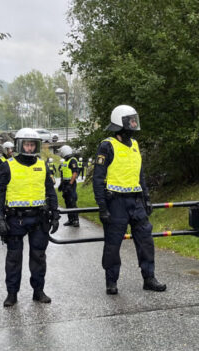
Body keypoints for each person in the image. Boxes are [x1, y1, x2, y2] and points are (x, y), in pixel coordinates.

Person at [93, 105, 166, 295]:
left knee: (146, 240)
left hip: (136, 201)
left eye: (135, 120)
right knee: (113, 243)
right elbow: (98, 179)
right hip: (115, 202)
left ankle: (149, 278)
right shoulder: (107, 145)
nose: (134, 124)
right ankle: (111, 281)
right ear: (120, 123)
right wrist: (102, 207)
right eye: (131, 121)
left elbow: (140, 175)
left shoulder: (134, 144)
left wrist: (146, 198)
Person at [0, 128, 60, 307]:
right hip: (15, 219)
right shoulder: (8, 165)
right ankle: (12, 294)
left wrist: (55, 213)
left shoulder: (42, 164)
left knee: (39, 257)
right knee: (14, 258)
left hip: (39, 218)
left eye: (32, 145)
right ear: (19, 145)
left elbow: (49, 190)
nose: (29, 148)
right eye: (27, 145)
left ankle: (38, 291)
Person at [57, 145, 80, 227]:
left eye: (61, 151)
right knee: (67, 202)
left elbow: (74, 173)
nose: (60, 153)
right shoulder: (65, 161)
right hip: (65, 184)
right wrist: (61, 184)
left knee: (72, 201)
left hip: (71, 184)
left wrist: (70, 184)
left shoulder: (72, 160)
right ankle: (70, 219)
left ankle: (76, 220)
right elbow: (63, 174)